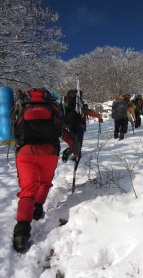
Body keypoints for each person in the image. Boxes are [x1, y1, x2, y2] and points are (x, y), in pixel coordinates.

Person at [12, 88, 81, 252]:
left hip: (25, 153)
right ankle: (37, 208)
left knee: (28, 190)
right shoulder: (53, 109)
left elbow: (13, 127)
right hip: (49, 153)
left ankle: (21, 232)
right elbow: (64, 132)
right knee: (44, 182)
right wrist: (76, 150)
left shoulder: (21, 107)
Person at [62, 90, 103, 162]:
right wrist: (99, 117)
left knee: (72, 141)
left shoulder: (66, 104)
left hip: (69, 126)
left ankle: (70, 152)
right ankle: (75, 155)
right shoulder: (79, 105)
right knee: (78, 142)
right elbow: (90, 112)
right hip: (79, 125)